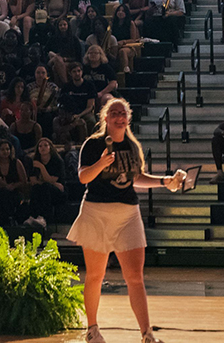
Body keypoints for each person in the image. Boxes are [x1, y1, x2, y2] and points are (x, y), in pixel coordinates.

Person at [67, 98, 186, 343]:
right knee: (95, 275)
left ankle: (146, 334)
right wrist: (101, 163)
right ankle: (92, 329)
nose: (119, 117)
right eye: (114, 113)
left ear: (128, 118)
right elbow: (82, 177)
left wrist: (165, 181)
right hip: (96, 213)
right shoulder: (92, 144)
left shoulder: (132, 146)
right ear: (105, 118)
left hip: (127, 214)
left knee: (135, 276)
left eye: (123, 113)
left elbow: (136, 178)